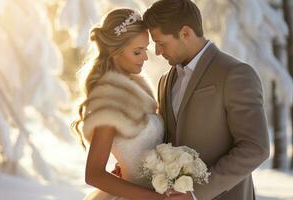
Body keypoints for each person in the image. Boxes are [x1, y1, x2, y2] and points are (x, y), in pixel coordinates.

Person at [142, 0, 270, 199]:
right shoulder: (165, 81)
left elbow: (255, 148)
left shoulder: (235, 73)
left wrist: (197, 193)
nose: (157, 52)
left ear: (185, 33)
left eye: (161, 43)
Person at [72, 8, 180, 200]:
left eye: (145, 50)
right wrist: (155, 198)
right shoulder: (109, 100)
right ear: (115, 52)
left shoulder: (135, 90)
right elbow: (93, 174)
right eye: (137, 52)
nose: (145, 57)